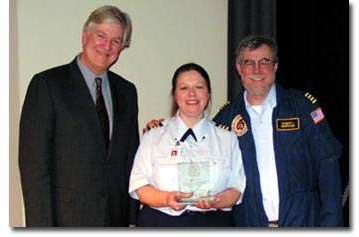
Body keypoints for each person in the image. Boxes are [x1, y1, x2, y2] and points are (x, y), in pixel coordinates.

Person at [146, 35, 344, 227]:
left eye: (264, 62)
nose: (256, 70)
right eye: (249, 63)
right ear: (239, 68)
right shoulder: (227, 118)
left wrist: (332, 223)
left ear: (275, 66)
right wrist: (163, 129)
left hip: (302, 222)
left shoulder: (302, 108)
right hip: (249, 224)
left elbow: (328, 166)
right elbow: (197, 145)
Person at [19, 5, 140, 227]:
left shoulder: (127, 92)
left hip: (115, 219)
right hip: (66, 219)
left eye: (116, 41)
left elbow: (130, 160)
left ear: (122, 48)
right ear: (85, 36)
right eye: (101, 36)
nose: (107, 46)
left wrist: (132, 218)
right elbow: (33, 167)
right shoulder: (47, 85)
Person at [129, 63, 246, 227]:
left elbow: (236, 189)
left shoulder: (227, 138)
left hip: (212, 224)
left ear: (208, 94)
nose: (192, 94)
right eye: (184, 88)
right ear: (175, 95)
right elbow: (140, 187)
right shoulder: (154, 136)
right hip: (161, 222)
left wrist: (216, 201)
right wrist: (167, 198)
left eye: (199, 87)